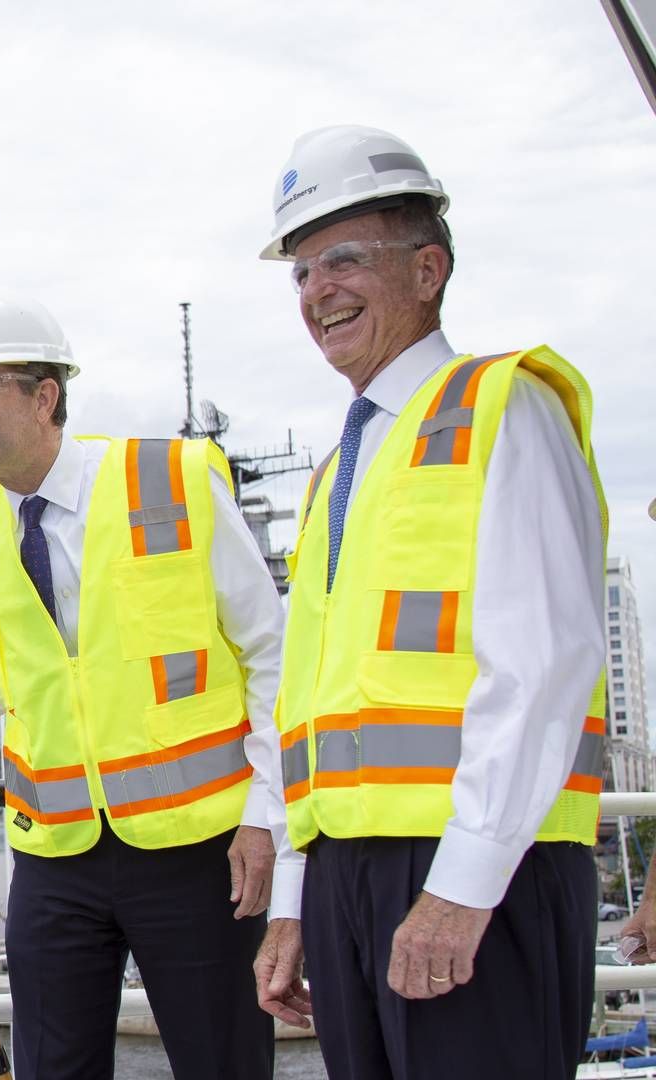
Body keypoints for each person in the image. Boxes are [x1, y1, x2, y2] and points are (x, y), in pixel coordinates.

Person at [0, 295, 287, 1080]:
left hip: (200, 849)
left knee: (223, 1063)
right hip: (54, 854)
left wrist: (265, 814)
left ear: (46, 395)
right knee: (52, 1068)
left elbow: (273, 654)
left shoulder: (169, 481)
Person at [249, 125, 608, 1079]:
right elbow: (312, 708)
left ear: (428, 270)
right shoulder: (340, 470)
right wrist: (295, 892)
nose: (317, 292)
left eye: (345, 261)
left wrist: (464, 884)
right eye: (300, 273)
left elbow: (544, 663)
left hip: (478, 865)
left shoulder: (503, 407)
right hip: (348, 873)